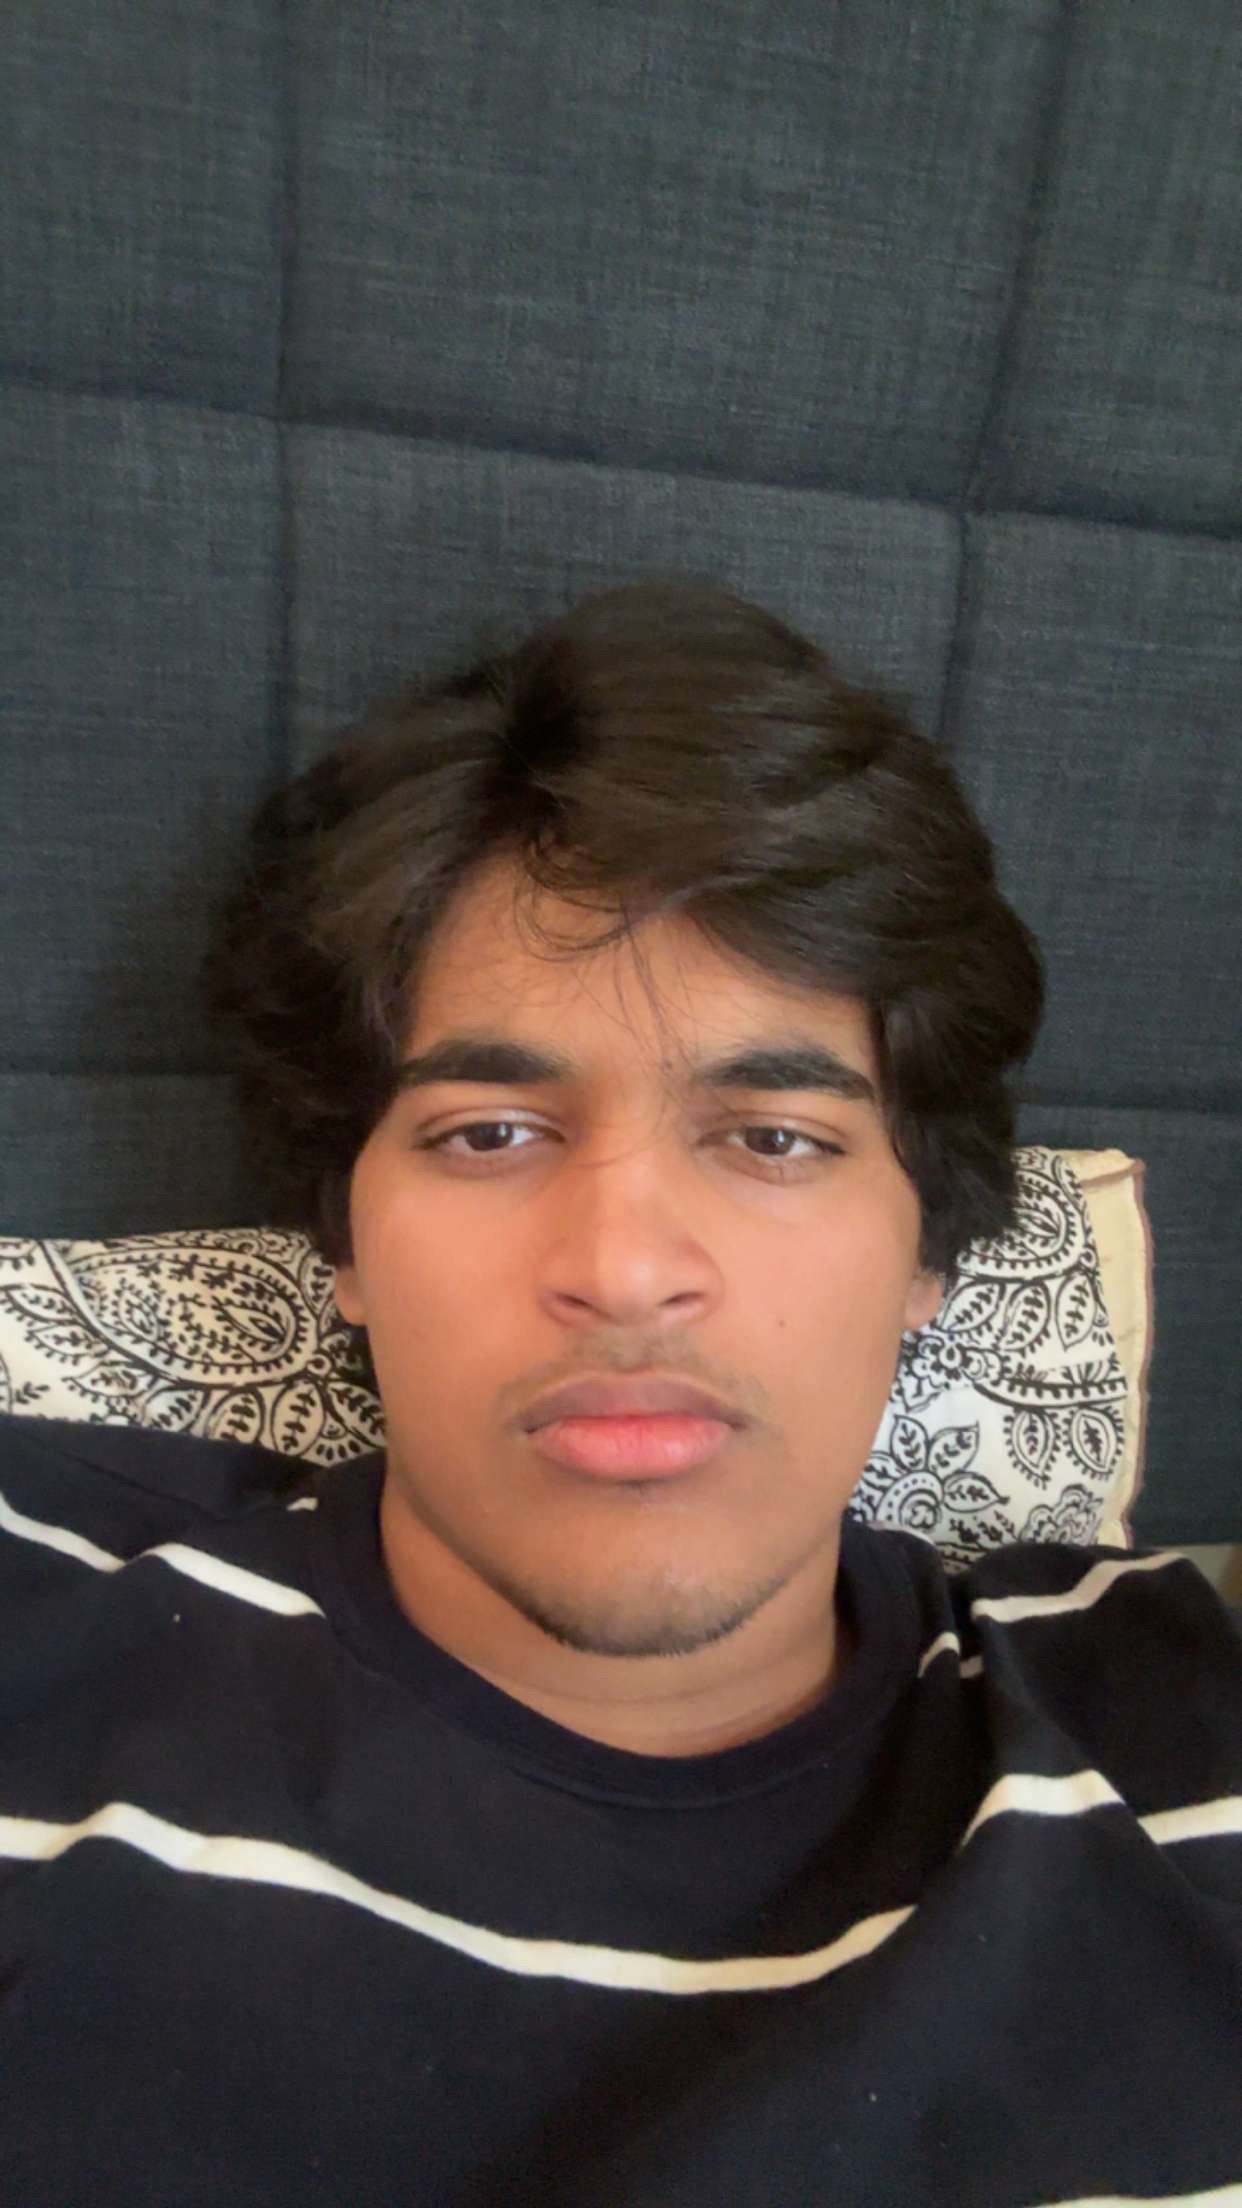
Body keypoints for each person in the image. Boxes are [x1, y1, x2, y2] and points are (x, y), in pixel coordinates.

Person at [1, 580, 1238, 2206]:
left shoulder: (1168, 1718)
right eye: (488, 1134)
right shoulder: (41, 1618)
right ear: (342, 1239)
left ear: (926, 1252)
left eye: (774, 1137)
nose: (626, 1269)